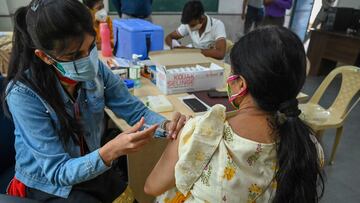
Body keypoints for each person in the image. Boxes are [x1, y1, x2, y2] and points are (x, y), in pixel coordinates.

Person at [2, 0, 186, 202]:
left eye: (90, 48)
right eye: (74, 55)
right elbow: (57, 172)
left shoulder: (97, 70)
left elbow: (134, 111)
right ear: (45, 57)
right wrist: (111, 151)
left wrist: (167, 126)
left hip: (91, 165)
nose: (87, 59)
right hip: (50, 183)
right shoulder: (24, 95)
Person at [145, 26, 325, 202]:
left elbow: (152, 187)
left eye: (231, 74)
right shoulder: (309, 147)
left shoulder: (201, 132)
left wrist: (179, 136)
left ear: (240, 84)